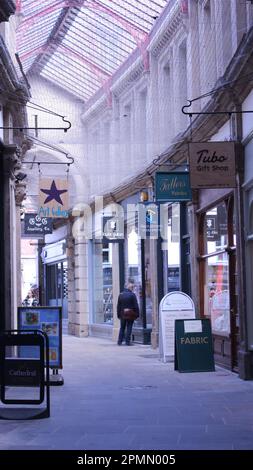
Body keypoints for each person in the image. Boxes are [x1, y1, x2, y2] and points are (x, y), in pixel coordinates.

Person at [117, 279, 140, 346]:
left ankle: (119, 341)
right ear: (130, 288)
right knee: (129, 327)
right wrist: (137, 314)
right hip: (130, 314)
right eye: (132, 287)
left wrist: (118, 314)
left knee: (122, 327)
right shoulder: (132, 295)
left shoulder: (121, 295)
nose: (133, 288)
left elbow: (118, 306)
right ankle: (127, 341)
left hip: (122, 314)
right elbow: (136, 306)